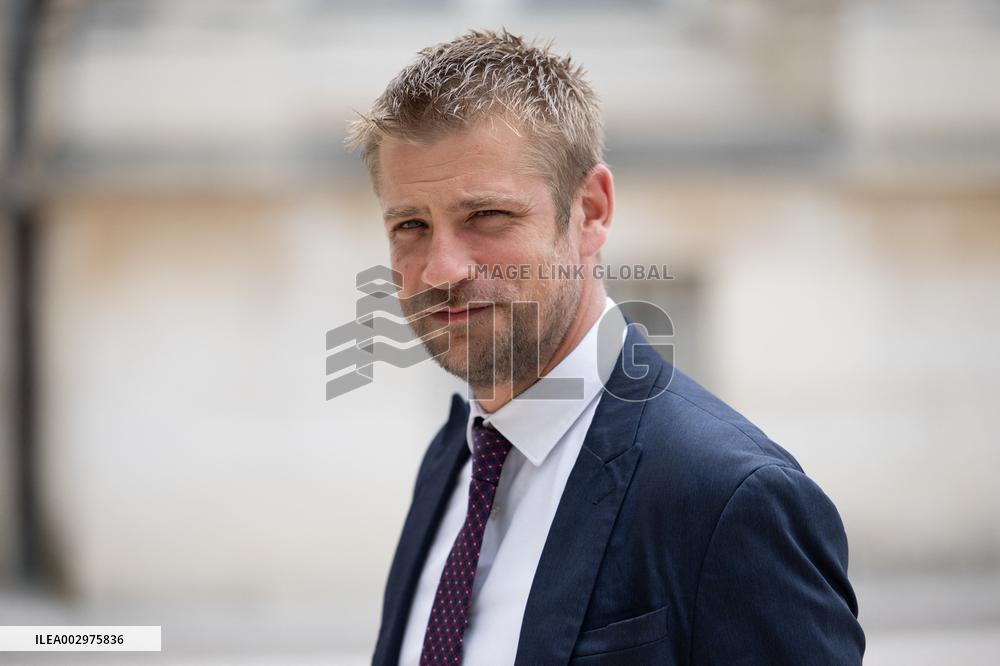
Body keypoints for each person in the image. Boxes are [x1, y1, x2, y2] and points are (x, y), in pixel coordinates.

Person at [348, 29, 864, 665]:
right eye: (411, 226)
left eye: (487, 216)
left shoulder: (731, 497)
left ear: (590, 210)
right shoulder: (454, 457)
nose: (440, 269)